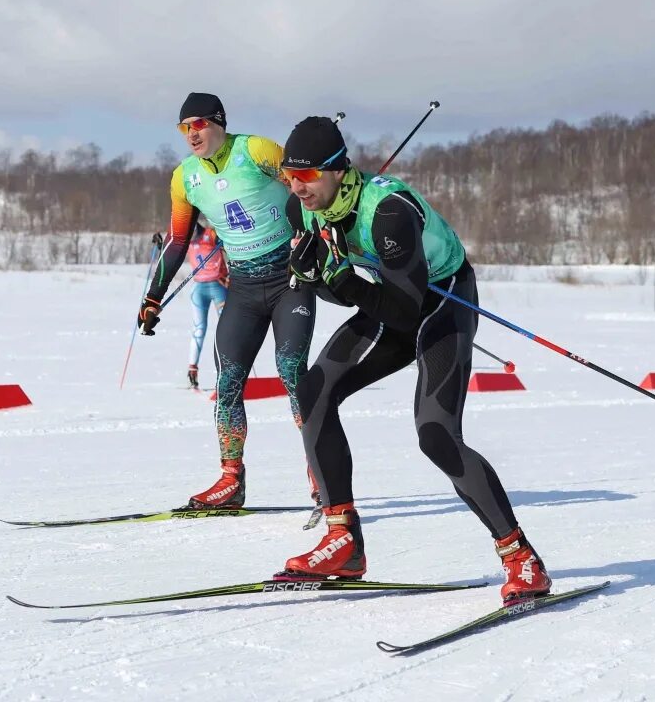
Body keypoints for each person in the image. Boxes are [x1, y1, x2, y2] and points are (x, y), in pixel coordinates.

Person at [275, 115, 551, 605]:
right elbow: (361, 297)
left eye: (307, 175)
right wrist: (317, 278)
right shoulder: (307, 210)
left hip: (443, 300)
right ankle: (344, 540)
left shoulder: (389, 213)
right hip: (389, 297)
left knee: (436, 436)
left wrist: (337, 281)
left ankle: (520, 557)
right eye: (287, 176)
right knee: (314, 390)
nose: (296, 187)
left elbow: (405, 312)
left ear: (338, 169)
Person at [139, 92, 317, 510]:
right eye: (184, 127)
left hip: (289, 278)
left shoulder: (255, 150)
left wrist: (311, 237)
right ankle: (231, 480)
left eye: (198, 124)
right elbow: (179, 240)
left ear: (218, 122)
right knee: (228, 380)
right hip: (242, 288)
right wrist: (153, 296)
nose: (191, 134)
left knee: (292, 372)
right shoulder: (185, 178)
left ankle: (320, 474)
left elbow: (309, 189)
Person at [185, 223, 228, 390]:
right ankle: (192, 370)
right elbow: (171, 248)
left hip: (218, 286)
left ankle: (228, 372)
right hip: (199, 288)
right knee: (199, 329)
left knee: (226, 330)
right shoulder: (185, 236)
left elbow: (227, 244)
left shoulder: (210, 233)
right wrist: (160, 244)